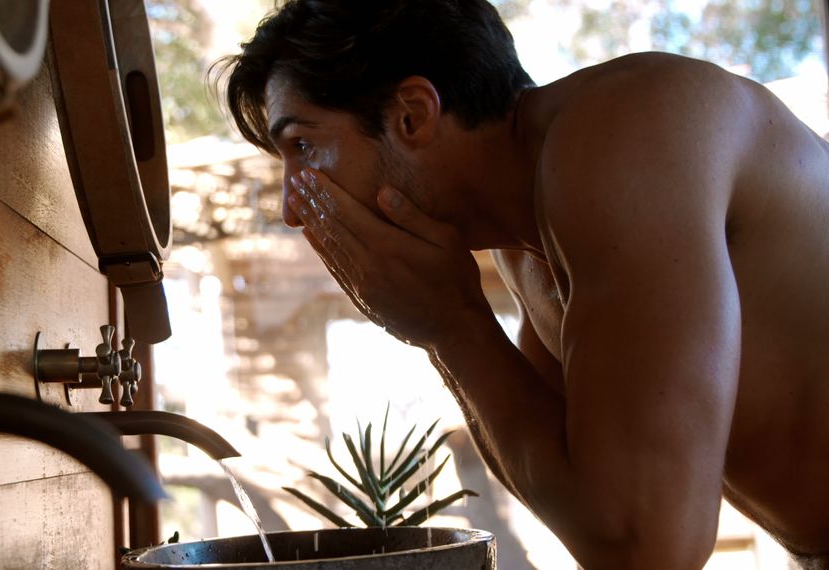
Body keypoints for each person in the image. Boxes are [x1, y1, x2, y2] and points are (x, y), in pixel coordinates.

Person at [216, 0, 829, 568]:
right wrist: (448, 328)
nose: (295, 210)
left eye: (302, 145)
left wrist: (453, 326)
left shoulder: (626, 131)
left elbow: (647, 545)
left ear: (412, 114)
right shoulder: (523, 242)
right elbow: (580, 500)